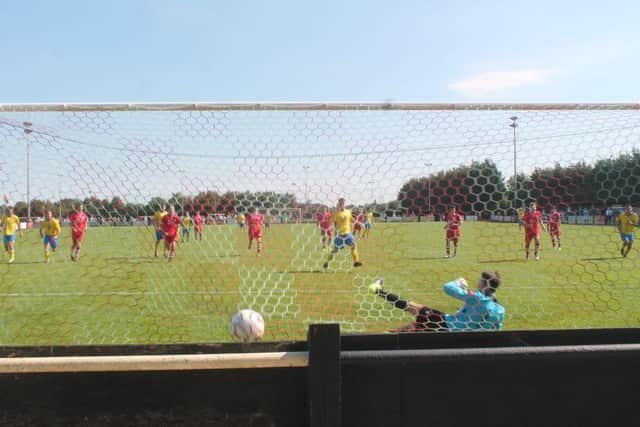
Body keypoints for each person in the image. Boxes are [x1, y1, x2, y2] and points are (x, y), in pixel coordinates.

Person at [368, 271, 504, 332]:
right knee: (415, 326)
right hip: (462, 335)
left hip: (448, 325)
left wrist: (458, 282)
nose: (477, 283)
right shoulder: (499, 309)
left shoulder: (477, 297)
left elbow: (448, 288)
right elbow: (496, 329)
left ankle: (377, 290)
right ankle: (387, 335)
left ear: (485, 285)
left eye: (480, 281)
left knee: (414, 307)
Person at [323, 198, 363, 269]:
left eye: (343, 203)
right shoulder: (335, 213)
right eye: (340, 203)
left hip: (348, 234)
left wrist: (358, 223)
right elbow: (330, 222)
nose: (342, 204)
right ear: (338, 204)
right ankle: (327, 262)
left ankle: (356, 262)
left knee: (353, 246)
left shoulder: (348, 212)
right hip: (339, 235)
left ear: (345, 204)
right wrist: (334, 213)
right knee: (335, 251)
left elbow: (352, 219)